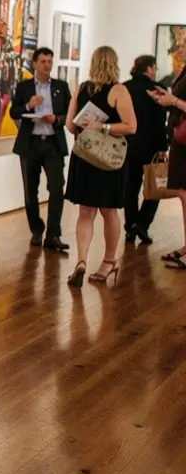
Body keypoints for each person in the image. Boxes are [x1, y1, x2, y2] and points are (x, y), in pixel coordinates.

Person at [65, 46, 136, 287]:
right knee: (109, 211)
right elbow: (131, 126)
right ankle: (108, 261)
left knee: (86, 212)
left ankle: (82, 261)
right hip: (108, 159)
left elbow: (70, 126)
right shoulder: (119, 91)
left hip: (85, 157)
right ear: (114, 63)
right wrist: (105, 127)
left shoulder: (82, 89)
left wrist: (91, 125)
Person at [9, 47, 71, 252]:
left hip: (53, 142)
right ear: (35, 63)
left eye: (49, 62)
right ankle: (37, 229)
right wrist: (29, 105)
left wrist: (57, 119)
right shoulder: (25, 87)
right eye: (43, 61)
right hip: (31, 143)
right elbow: (13, 112)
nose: (47, 65)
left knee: (56, 188)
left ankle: (53, 234)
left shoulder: (61, 87)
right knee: (30, 191)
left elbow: (69, 114)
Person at [124, 55, 168, 244]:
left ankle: (130, 226)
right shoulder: (157, 89)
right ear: (149, 69)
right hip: (150, 146)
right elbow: (160, 123)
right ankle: (142, 223)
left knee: (130, 188)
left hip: (127, 145)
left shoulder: (124, 88)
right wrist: (163, 147)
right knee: (155, 188)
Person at [152, 32, 186, 269]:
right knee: (183, 195)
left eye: (184, 45)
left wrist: (172, 101)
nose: (180, 49)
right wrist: (166, 98)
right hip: (181, 138)